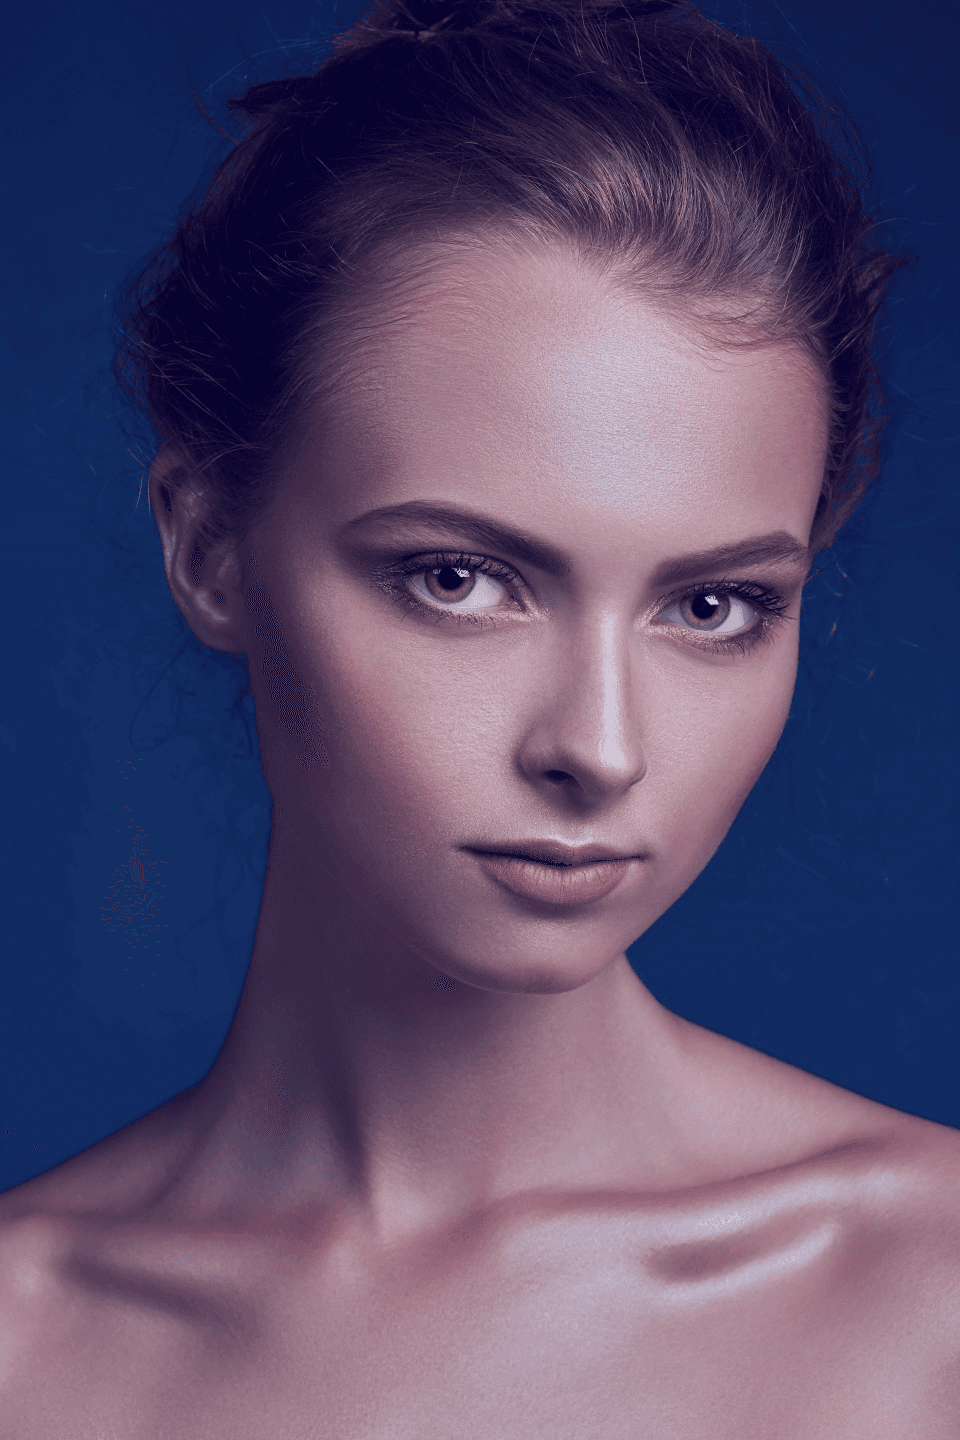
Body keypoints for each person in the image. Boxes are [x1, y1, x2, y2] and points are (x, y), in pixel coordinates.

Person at [1, 0, 957, 1432]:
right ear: (205, 546)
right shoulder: (27, 1349)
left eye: (713, 607)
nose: (600, 746)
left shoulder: (935, 1293)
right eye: (459, 580)